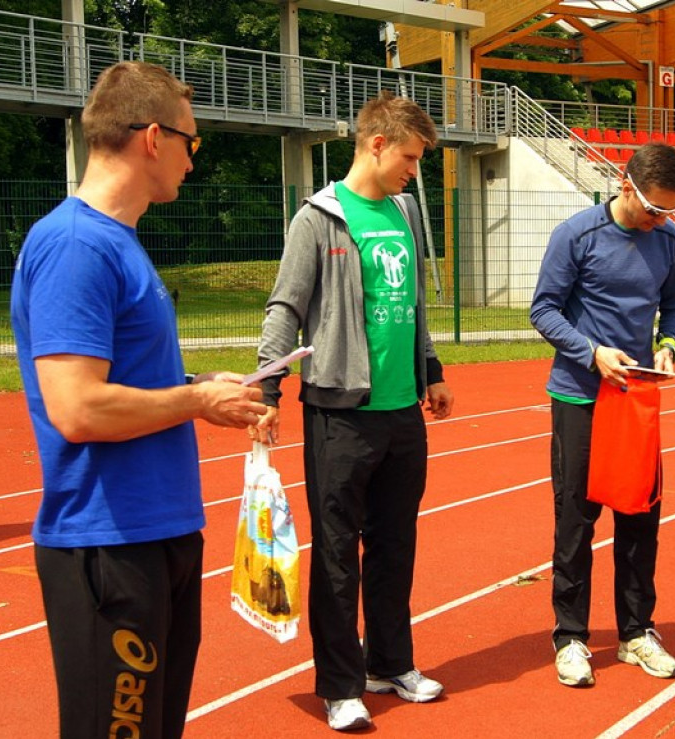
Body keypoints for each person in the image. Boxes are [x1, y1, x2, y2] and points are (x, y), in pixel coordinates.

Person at [10, 61, 266, 739]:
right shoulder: (75, 247)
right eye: (193, 140)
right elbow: (78, 407)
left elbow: (133, 380)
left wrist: (206, 388)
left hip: (157, 534)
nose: (193, 159)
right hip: (107, 543)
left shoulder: (118, 244)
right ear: (154, 138)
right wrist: (195, 402)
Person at [251, 91, 453, 732]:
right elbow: (286, 306)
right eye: (412, 158)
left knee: (396, 548)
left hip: (402, 414)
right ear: (377, 144)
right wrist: (267, 391)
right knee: (338, 557)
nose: (414, 172)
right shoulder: (318, 218)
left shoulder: (403, 212)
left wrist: (433, 371)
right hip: (339, 413)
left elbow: (413, 304)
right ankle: (339, 685)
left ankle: (390, 662)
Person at [529, 143, 675, 687]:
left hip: (637, 398)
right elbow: (543, 310)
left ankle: (636, 633)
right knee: (575, 521)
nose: (660, 219)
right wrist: (591, 353)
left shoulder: (669, 239)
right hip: (579, 396)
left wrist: (668, 343)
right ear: (626, 186)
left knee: (641, 519)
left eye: (671, 210)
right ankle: (571, 636)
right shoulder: (576, 235)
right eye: (653, 208)